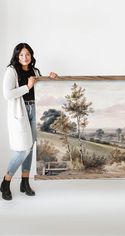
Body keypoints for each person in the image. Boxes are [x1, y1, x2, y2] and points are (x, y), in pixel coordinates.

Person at [1, 43, 57, 200]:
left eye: (27, 54)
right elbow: (7, 94)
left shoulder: (35, 71)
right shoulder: (11, 71)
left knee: (30, 148)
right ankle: (6, 182)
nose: (24, 57)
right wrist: (27, 86)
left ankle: (24, 182)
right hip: (21, 112)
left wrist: (51, 78)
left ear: (31, 55)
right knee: (22, 149)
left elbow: (44, 89)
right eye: (21, 55)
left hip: (35, 110)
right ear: (16, 56)